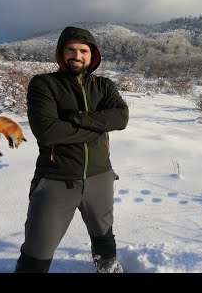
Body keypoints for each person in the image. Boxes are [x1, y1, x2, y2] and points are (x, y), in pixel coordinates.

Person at [14, 26, 129, 273]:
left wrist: (78, 118)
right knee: (38, 246)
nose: (77, 55)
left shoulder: (104, 86)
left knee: (103, 232)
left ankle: (107, 267)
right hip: (56, 178)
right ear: (61, 53)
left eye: (83, 50)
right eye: (71, 49)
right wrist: (98, 127)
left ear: (92, 55)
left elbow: (120, 118)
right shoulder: (44, 84)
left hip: (100, 175)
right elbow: (47, 131)